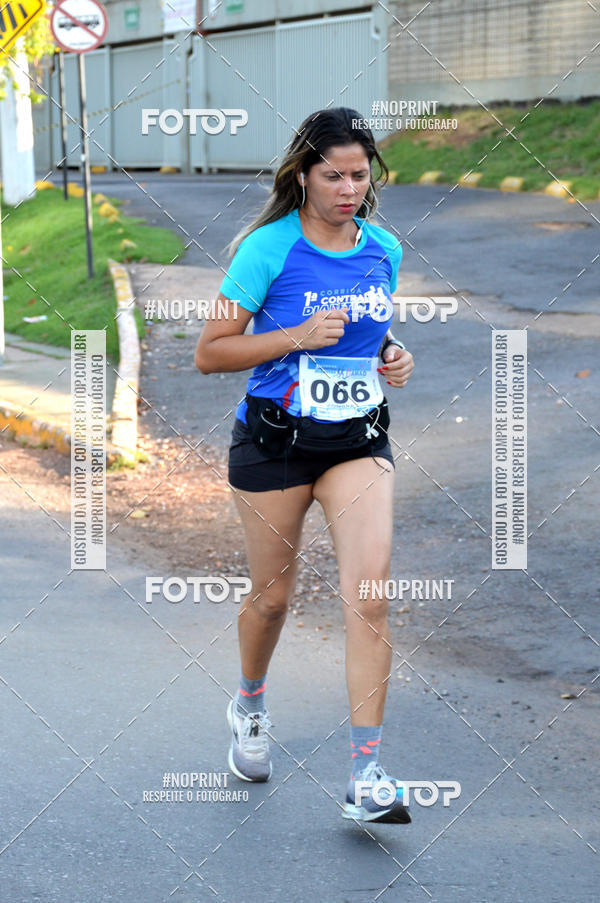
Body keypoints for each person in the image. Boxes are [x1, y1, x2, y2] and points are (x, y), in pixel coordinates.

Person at [194, 107, 414, 823]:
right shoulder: (265, 249)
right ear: (302, 176)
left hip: (357, 442)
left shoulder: (384, 247)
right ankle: (250, 702)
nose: (349, 188)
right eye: (334, 175)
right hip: (275, 443)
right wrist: (292, 334)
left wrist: (391, 354)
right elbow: (212, 351)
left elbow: (370, 329)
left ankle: (367, 771)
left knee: (370, 596)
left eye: (360, 175)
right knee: (274, 598)